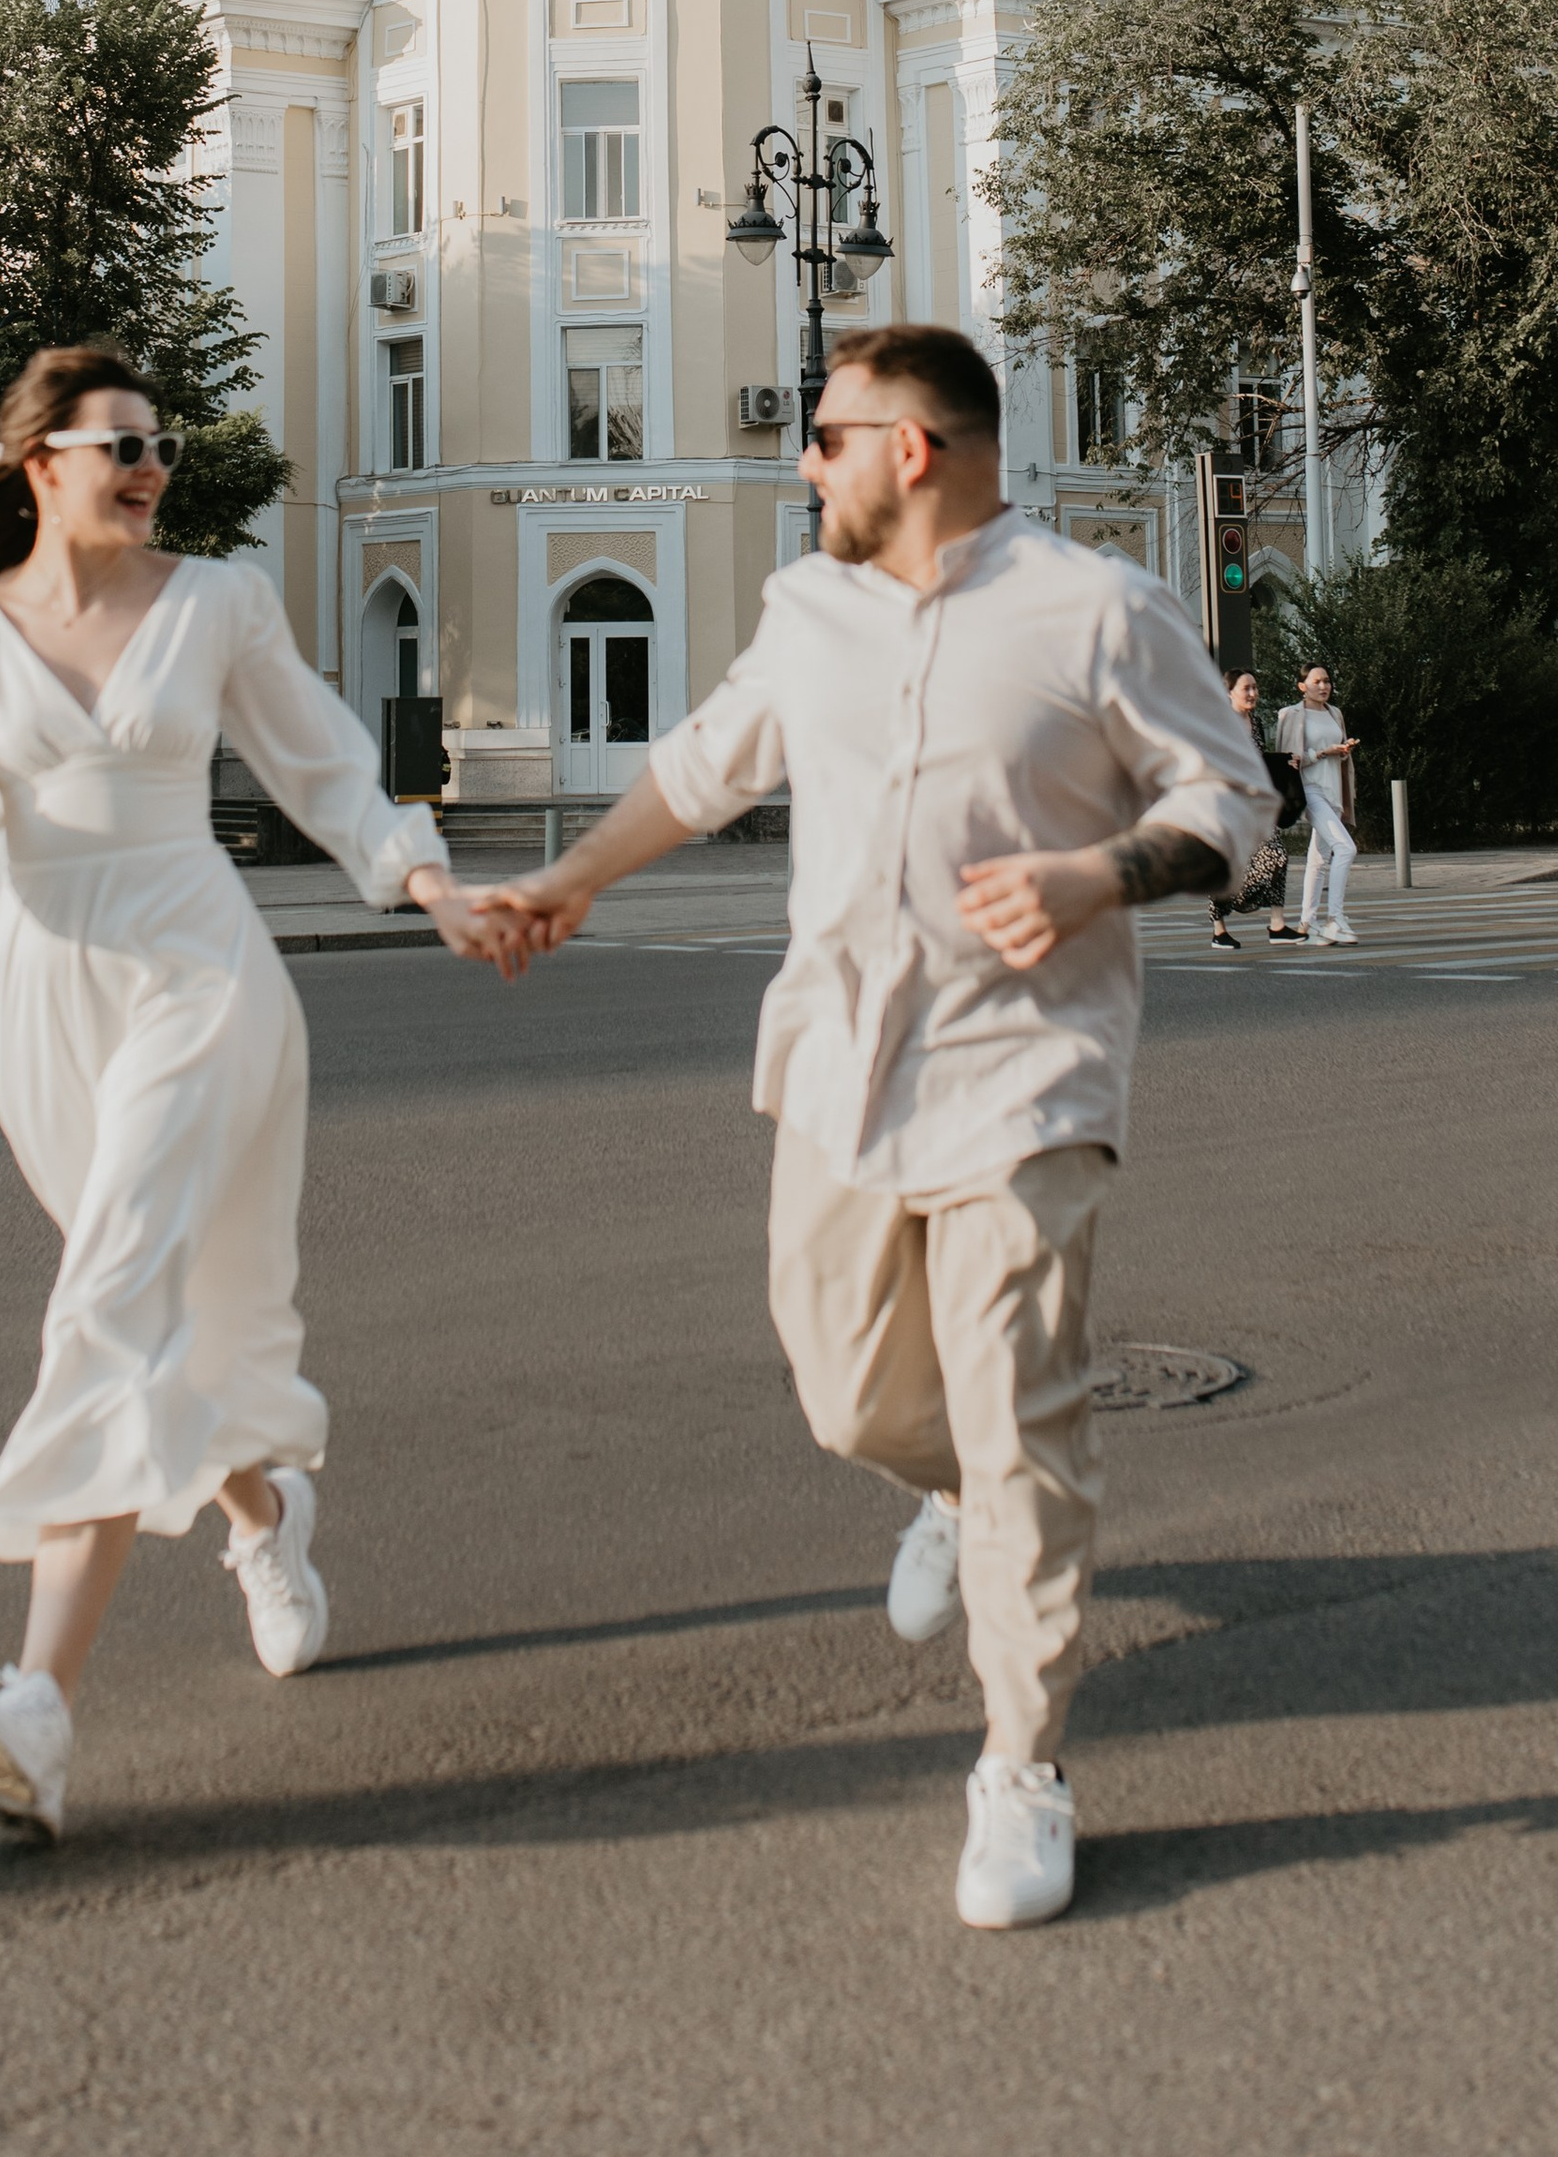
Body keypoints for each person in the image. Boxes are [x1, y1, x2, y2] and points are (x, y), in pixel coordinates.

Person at [461, 321, 1273, 1931]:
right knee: (843, 1397)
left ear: (915, 447)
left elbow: (1229, 806)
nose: (802, 459)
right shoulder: (806, 613)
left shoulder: (1097, 609)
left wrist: (1093, 875)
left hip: (1029, 1071)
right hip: (838, 1063)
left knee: (1023, 1414)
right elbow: (698, 773)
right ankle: (952, 1487)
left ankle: (1023, 1763)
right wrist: (562, 882)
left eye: (822, 436)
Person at [0, 341, 511, 1842]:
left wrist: (424, 878)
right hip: (44, 991)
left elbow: (321, 762)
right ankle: (265, 1518)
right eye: (121, 447)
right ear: (41, 467)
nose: (152, 467)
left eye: (158, 446)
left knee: (108, 1299)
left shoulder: (217, 599)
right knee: (155, 1316)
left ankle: (35, 1708)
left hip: (197, 970)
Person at [1274, 665, 1358, 944]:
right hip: (1309, 789)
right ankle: (1335, 918)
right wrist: (1322, 752)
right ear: (1302, 686)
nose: (1323, 686)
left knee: (1318, 860)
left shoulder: (1335, 713)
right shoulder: (1291, 714)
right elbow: (1288, 759)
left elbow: (1340, 753)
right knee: (1345, 848)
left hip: (1333, 791)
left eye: (1327, 681)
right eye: (1317, 681)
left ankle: (1306, 924)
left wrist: (1343, 751)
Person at [1211, 669, 1291, 952]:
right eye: (1246, 688)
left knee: (1278, 855)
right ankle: (1219, 929)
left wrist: (1285, 763)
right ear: (1229, 692)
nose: (1253, 694)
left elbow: (1259, 761)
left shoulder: (1255, 723)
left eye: (1255, 687)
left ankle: (1278, 925)